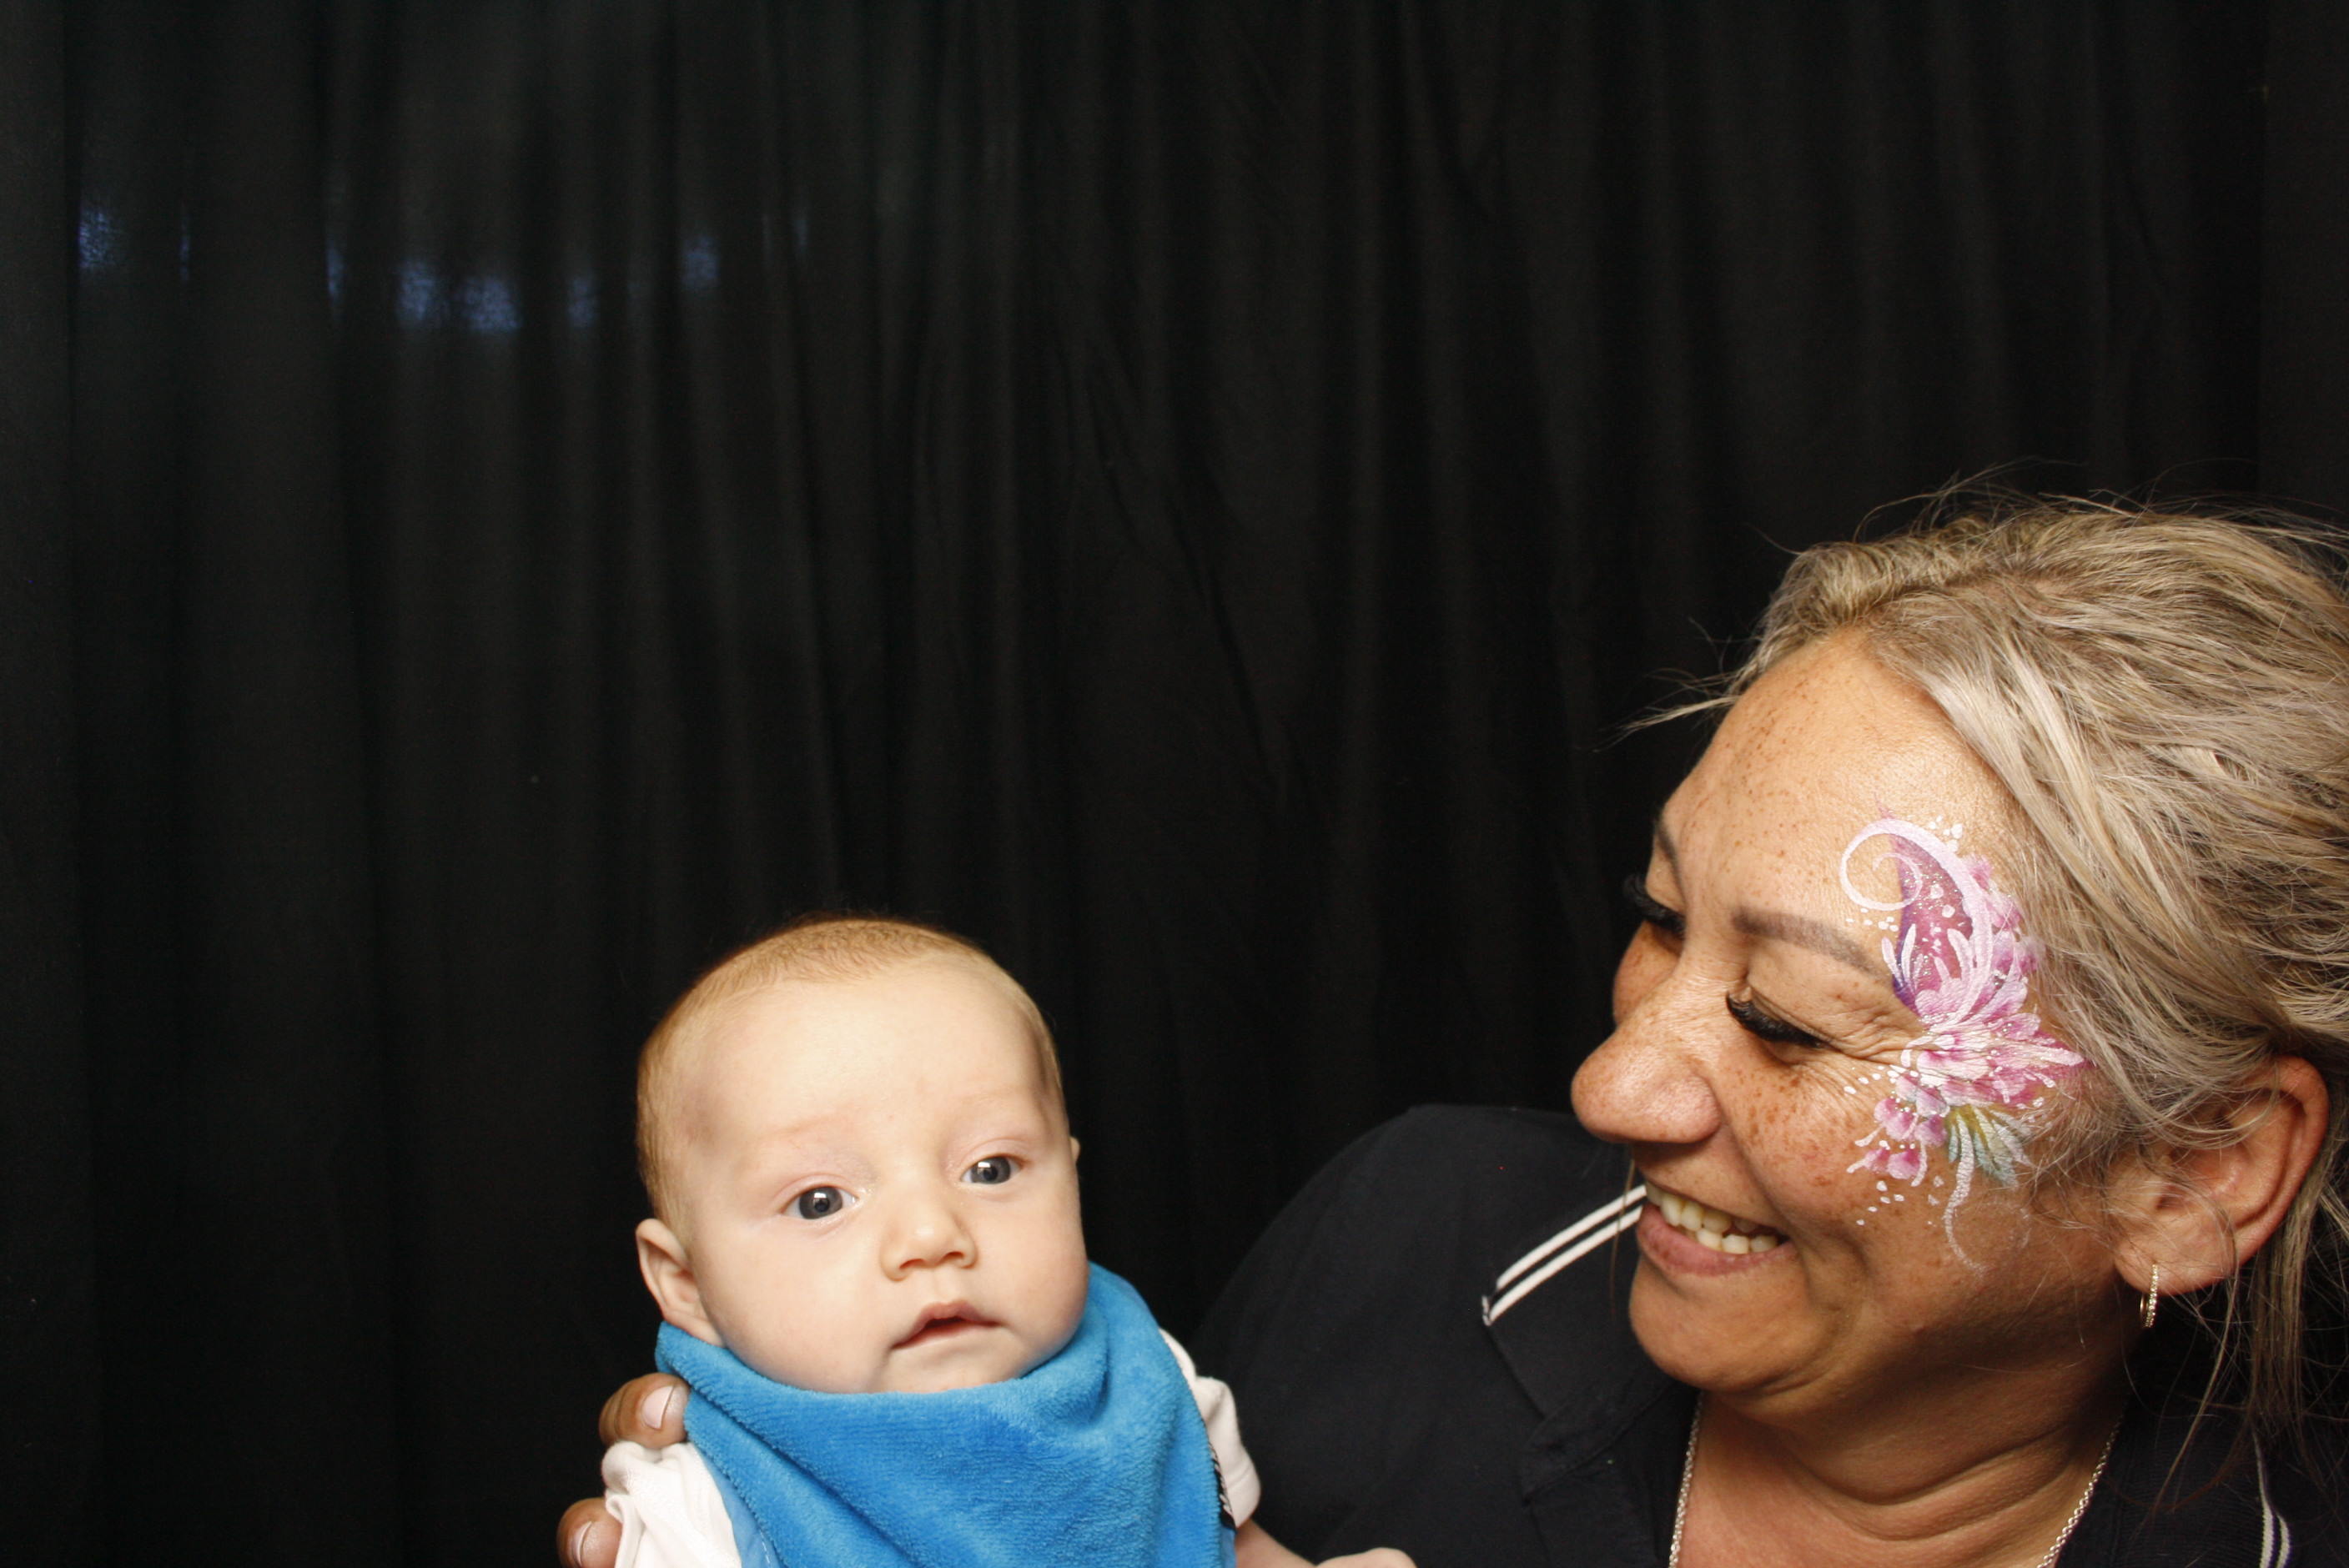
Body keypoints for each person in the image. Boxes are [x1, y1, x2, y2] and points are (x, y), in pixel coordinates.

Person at [566, 503, 2349, 1567]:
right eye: (1658, 919)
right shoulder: (1405, 1240)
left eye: (1795, 1023)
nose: (1613, 1081)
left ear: (2195, 1173)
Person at [596, 912, 1411, 1568]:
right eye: (818, 1200)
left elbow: (1229, 1543)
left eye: (990, 1168)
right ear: (685, 1283)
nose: (929, 1234)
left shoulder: (1149, 1383)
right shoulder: (697, 1505)